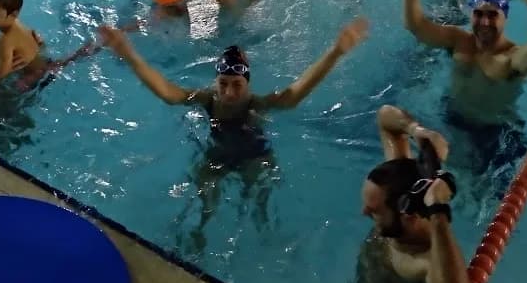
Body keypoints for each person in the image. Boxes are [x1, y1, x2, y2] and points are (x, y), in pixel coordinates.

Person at [97, 17, 368, 249]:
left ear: (247, 83)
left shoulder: (259, 104)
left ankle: (267, 236)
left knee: (259, 205)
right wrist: (129, 53)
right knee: (204, 202)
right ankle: (198, 233)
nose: (228, 92)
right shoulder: (205, 100)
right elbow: (167, 92)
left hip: (255, 156)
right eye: (223, 83)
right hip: (217, 156)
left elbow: (296, 92)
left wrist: (336, 52)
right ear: (215, 81)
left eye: (236, 85)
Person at [342, 104, 472, 283]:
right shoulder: (395, 186)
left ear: (409, 215)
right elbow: (385, 117)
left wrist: (438, 211)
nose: (363, 212)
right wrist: (416, 130)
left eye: (374, 211)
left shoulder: (425, 258)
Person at [0, 0, 47, 83]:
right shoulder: (17, 24)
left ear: (13, 14)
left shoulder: (6, 40)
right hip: (45, 65)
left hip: (33, 80)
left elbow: (1, 74)